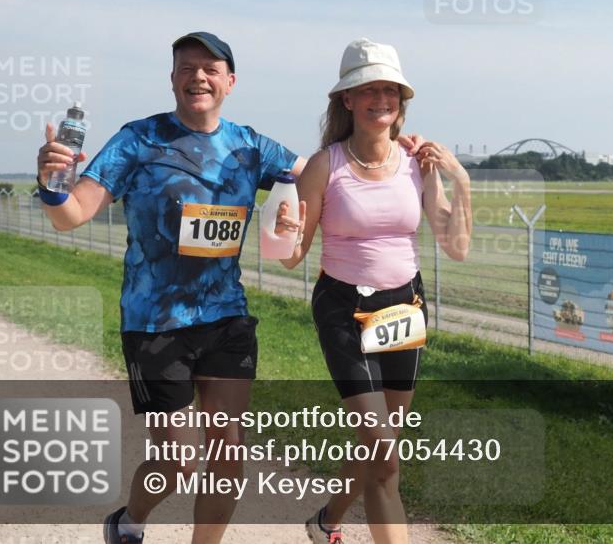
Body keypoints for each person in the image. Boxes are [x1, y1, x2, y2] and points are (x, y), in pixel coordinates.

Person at [34, 32, 421, 544]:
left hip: (225, 318)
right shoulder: (138, 141)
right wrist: (50, 182)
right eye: (188, 68)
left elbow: (333, 173)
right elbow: (72, 215)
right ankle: (130, 520)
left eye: (211, 69)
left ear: (229, 83)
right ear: (172, 79)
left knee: (226, 452)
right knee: (177, 459)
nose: (199, 76)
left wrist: (397, 153)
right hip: (155, 323)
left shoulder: (250, 146)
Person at [278, 38, 472, 544]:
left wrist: (462, 182)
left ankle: (326, 521)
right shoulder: (325, 165)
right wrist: (282, 230)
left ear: (401, 100)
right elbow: (292, 254)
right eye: (368, 90)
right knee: (385, 457)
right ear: (347, 99)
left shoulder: (418, 163)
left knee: (376, 447)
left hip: (404, 306)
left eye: (390, 89)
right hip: (344, 310)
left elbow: (457, 248)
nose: (381, 99)